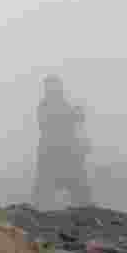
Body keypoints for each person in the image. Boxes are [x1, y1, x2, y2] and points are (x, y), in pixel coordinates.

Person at [32, 75, 93, 208]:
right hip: (51, 154)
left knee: (79, 189)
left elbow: (76, 124)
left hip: (67, 153)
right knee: (44, 190)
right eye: (50, 86)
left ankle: (85, 210)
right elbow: (47, 124)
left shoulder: (63, 105)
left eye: (55, 86)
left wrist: (76, 117)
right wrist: (73, 116)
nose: (53, 89)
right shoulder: (45, 106)